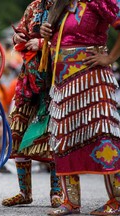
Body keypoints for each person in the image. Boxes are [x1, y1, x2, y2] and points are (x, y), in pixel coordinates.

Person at [40, 0, 120, 215]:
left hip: (92, 78)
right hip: (62, 82)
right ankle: (70, 201)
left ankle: (117, 200)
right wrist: (46, 32)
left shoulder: (100, 1)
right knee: (64, 137)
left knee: (104, 133)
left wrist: (110, 57)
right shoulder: (61, 4)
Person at [1, 0, 63, 209]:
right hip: (28, 79)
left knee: (53, 136)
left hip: (55, 80)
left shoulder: (66, 6)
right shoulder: (34, 6)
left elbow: (71, 39)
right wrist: (18, 37)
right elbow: (20, 30)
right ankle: (24, 192)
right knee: (17, 131)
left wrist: (44, 44)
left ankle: (57, 192)